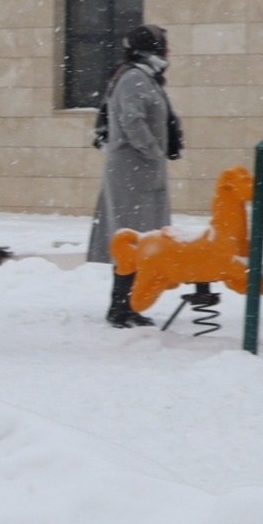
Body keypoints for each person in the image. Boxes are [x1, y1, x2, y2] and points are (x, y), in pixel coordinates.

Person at [88, 25, 177, 328]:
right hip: (132, 173)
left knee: (139, 240)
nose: (168, 52)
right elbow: (132, 120)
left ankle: (129, 305)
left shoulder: (142, 77)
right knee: (131, 239)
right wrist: (154, 152)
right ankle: (121, 307)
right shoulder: (135, 78)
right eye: (164, 46)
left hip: (139, 174)